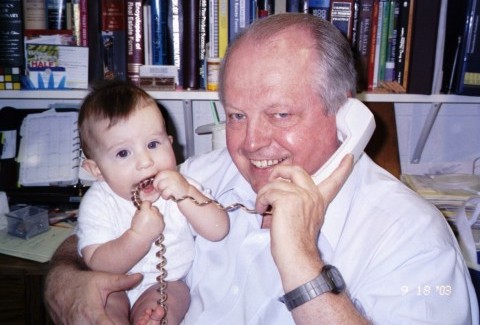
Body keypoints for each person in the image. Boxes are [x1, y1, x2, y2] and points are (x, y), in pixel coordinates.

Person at [45, 13, 478, 324]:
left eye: (281, 114)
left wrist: (303, 264)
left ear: (344, 114)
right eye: (236, 116)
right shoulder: (202, 176)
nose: (250, 144)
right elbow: (94, 232)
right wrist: (65, 284)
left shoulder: (415, 241)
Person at [74, 81, 229, 324]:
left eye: (153, 144)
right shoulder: (98, 202)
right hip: (115, 285)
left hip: (167, 281)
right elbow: (97, 262)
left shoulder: (181, 185)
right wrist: (137, 237)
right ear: (97, 170)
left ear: (170, 142)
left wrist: (186, 194)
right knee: (105, 306)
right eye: (123, 153)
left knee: (174, 298)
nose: (145, 162)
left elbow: (219, 229)